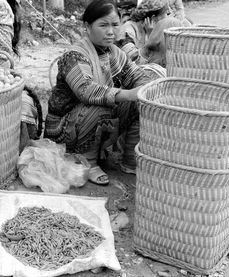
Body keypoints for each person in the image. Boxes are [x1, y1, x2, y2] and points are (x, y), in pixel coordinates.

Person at [44, 0, 152, 186]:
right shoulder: (74, 55)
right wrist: (128, 94)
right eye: (103, 25)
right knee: (100, 104)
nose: (111, 31)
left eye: (115, 25)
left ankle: (129, 160)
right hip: (63, 129)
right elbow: (86, 90)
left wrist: (145, 90)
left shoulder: (115, 53)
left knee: (140, 101)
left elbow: (136, 75)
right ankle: (89, 162)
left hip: (85, 122)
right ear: (87, 26)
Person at [0, 0, 43, 153]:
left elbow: (3, 58)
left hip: (2, 77)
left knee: (22, 106)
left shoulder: (2, 7)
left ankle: (14, 153)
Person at [116, 0, 183, 64]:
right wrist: (151, 38)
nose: (169, 15)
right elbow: (132, 61)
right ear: (153, 18)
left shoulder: (154, 29)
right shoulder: (127, 32)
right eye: (166, 13)